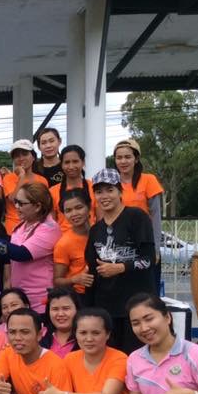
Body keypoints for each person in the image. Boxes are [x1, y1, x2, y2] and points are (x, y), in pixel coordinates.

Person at [86, 168, 157, 353]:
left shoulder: (137, 217)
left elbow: (149, 260)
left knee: (136, 358)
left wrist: (121, 267)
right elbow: (93, 269)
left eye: (110, 190)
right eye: (99, 192)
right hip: (106, 309)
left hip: (136, 308)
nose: (104, 196)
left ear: (120, 191)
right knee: (111, 360)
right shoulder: (95, 230)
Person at [0, 182, 61, 313]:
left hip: (39, 299)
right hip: (19, 297)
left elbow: (21, 254)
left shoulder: (49, 228)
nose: (16, 207)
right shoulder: (22, 224)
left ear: (37, 206)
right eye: (15, 202)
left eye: (21, 203)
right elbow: (9, 254)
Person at [113, 138, 164, 255]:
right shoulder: (111, 184)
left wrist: (155, 249)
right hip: (118, 244)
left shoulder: (149, 180)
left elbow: (156, 217)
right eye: (119, 158)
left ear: (136, 159)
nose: (123, 161)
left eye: (128, 157)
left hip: (144, 242)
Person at [53, 188, 94, 295]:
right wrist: (75, 279)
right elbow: (57, 281)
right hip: (81, 295)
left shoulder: (100, 232)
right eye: (68, 211)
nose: (74, 213)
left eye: (79, 207)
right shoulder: (64, 244)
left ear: (89, 207)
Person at [2, 138, 49, 233]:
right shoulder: (8, 178)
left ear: (33, 157)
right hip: (14, 227)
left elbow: (45, 206)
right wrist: (22, 176)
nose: (21, 158)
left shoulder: (42, 180)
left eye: (25, 154)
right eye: (17, 156)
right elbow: (13, 199)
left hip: (37, 227)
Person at [49, 145, 95, 234]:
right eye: (67, 162)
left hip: (90, 238)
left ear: (83, 162)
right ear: (61, 164)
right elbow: (52, 225)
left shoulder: (93, 188)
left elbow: (101, 220)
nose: (71, 166)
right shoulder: (53, 191)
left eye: (75, 161)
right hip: (63, 239)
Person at [40, 288, 80, 358]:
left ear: (77, 309)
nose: (60, 314)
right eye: (55, 309)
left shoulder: (86, 336)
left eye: (66, 308)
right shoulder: (40, 335)